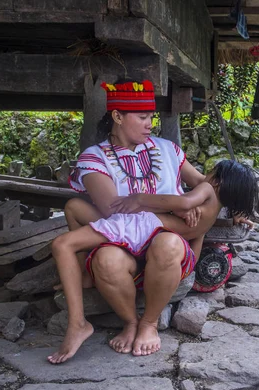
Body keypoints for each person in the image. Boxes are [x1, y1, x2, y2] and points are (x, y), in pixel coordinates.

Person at [46, 78, 216, 363]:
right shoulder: (94, 158)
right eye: (142, 117)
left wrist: (193, 202)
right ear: (117, 116)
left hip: (166, 243)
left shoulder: (168, 150)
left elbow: (203, 183)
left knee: (168, 245)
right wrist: (178, 207)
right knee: (107, 261)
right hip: (120, 243)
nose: (150, 123)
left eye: (151, 116)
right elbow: (115, 212)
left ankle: (149, 323)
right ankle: (130, 322)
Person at [48, 160, 256, 364]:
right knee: (73, 211)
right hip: (149, 233)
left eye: (210, 172)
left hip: (141, 226)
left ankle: (79, 323)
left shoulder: (206, 190)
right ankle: (86, 279)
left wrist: (139, 198)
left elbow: (184, 202)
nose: (205, 177)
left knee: (62, 244)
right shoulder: (216, 207)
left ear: (217, 182)